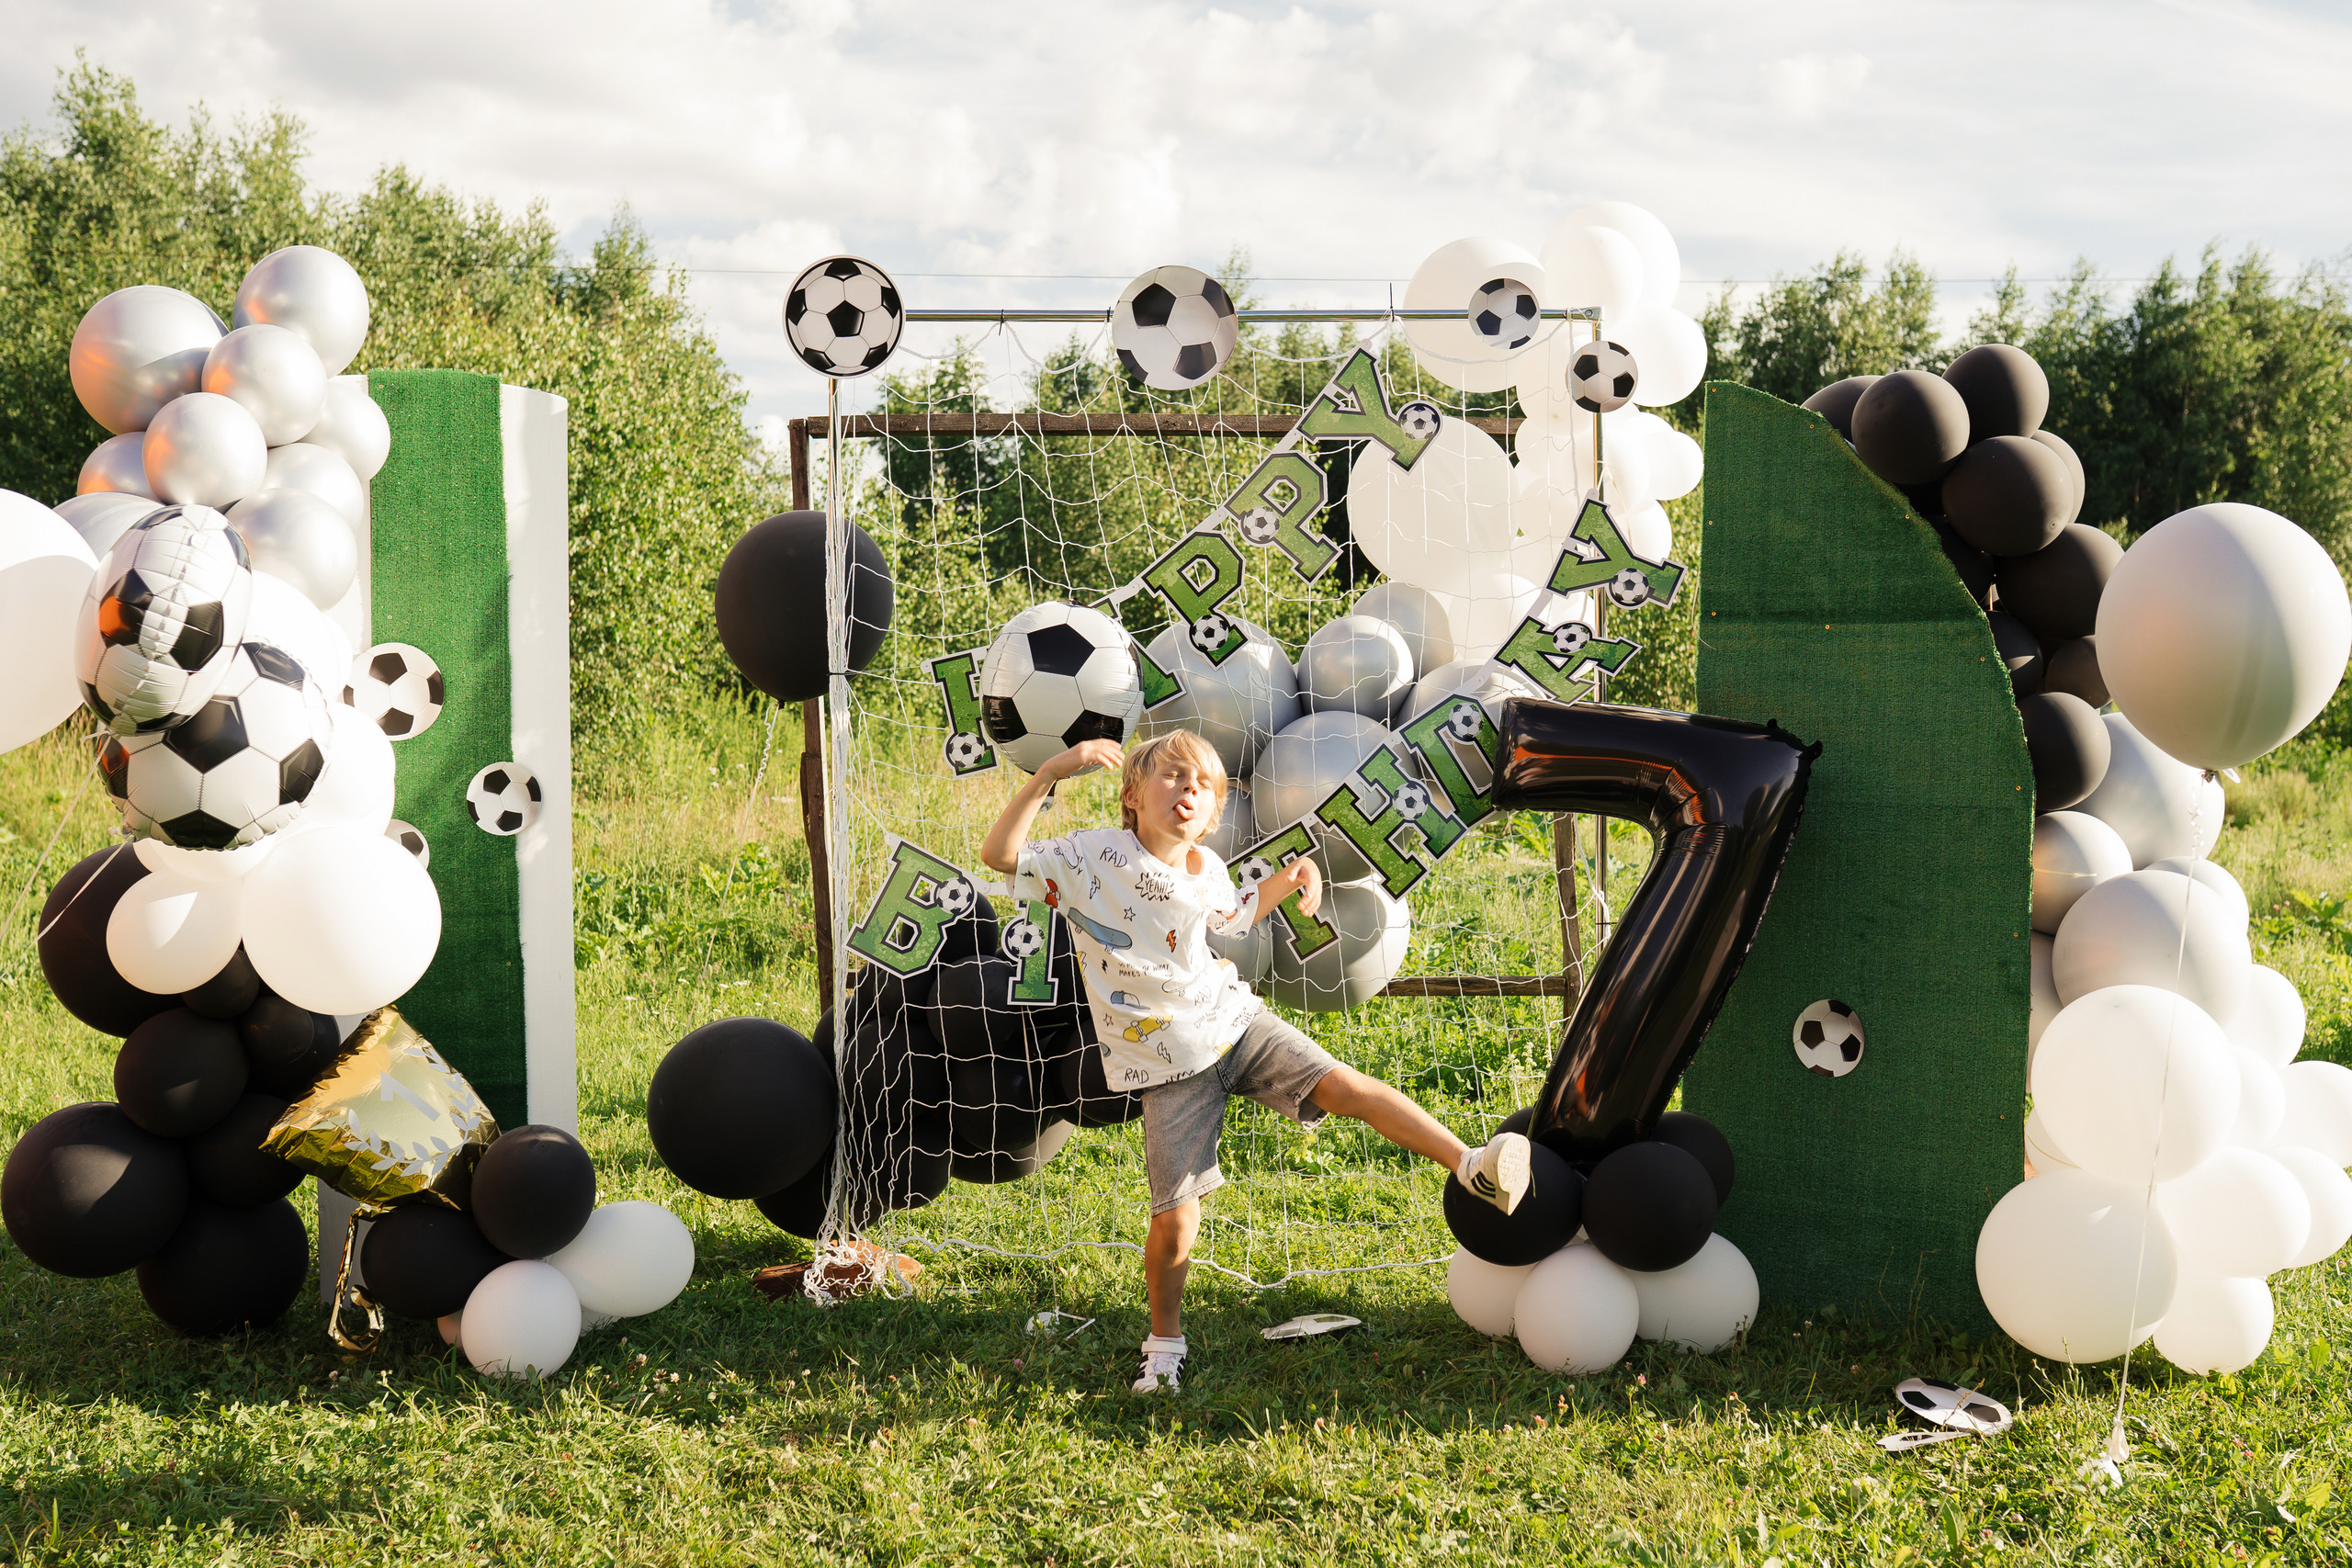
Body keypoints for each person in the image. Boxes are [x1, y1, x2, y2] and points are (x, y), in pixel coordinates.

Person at [980, 728, 1532, 1394]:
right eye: (1172, 777)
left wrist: (1292, 875)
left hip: (1236, 1023)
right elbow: (999, 853)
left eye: (1202, 785)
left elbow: (1236, 917)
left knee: (1347, 1086)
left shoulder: (1205, 866)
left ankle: (1470, 1164)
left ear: (1212, 813)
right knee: (1176, 1218)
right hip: (1167, 1064)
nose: (1187, 790)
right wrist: (1050, 773)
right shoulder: (1092, 856)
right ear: (1132, 793)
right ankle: (1164, 1344)